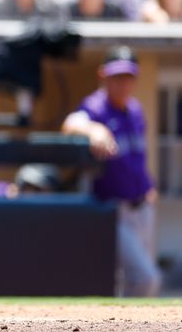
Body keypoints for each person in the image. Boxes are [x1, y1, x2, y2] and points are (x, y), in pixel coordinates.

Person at [61, 46, 162, 297]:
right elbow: (70, 124)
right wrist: (94, 130)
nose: (123, 83)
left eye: (128, 77)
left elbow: (137, 157)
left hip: (142, 207)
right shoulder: (96, 107)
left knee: (129, 281)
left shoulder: (136, 110)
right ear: (103, 75)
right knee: (145, 279)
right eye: (117, 76)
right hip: (114, 209)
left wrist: (149, 186)